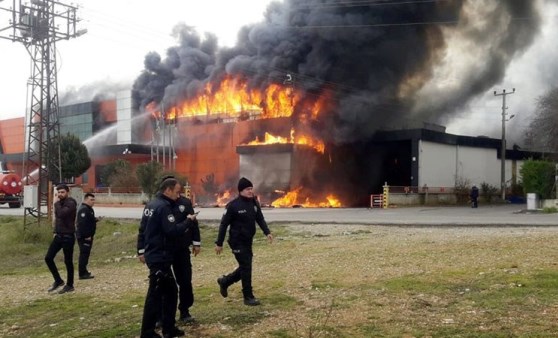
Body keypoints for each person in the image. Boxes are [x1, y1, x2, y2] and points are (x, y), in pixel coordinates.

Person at [137, 177, 196, 338]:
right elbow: (172, 231)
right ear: (168, 190)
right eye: (177, 192)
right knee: (155, 295)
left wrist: (141, 250)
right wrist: (188, 221)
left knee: (170, 292)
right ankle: (148, 332)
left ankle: (169, 328)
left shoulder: (151, 204)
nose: (179, 196)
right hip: (159, 257)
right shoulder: (163, 207)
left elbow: (142, 229)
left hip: (156, 254)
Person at [215, 177, 273, 306]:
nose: (250, 191)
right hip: (236, 241)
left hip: (248, 241)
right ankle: (248, 296)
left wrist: (267, 232)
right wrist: (219, 243)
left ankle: (225, 281)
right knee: (246, 267)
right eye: (248, 189)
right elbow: (223, 224)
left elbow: (260, 218)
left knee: (245, 267)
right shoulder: (233, 206)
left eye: (251, 188)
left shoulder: (254, 202)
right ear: (241, 190)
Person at [172, 189, 201, 323]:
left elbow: (193, 222)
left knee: (185, 281)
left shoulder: (185, 202)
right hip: (165, 249)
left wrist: (196, 243)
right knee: (164, 283)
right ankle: (161, 316)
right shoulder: (160, 204)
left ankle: (185, 311)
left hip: (182, 248)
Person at [45, 184, 78, 294]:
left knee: (68, 261)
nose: (60, 194)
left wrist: (55, 204)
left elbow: (61, 214)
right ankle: (58, 280)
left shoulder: (71, 203)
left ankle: (70, 284)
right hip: (59, 235)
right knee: (48, 258)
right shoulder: (58, 204)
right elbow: (57, 220)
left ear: (67, 192)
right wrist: (55, 231)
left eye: (62, 192)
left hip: (68, 236)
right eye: (58, 192)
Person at [76, 193, 100, 280]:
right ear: (86, 200)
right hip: (84, 237)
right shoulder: (84, 210)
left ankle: (84, 271)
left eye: (94, 200)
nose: (93, 202)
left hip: (88, 235)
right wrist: (86, 236)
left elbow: (88, 220)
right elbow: (82, 224)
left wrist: (95, 220)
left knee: (86, 254)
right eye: (91, 200)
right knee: (84, 254)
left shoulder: (89, 209)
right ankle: (82, 273)